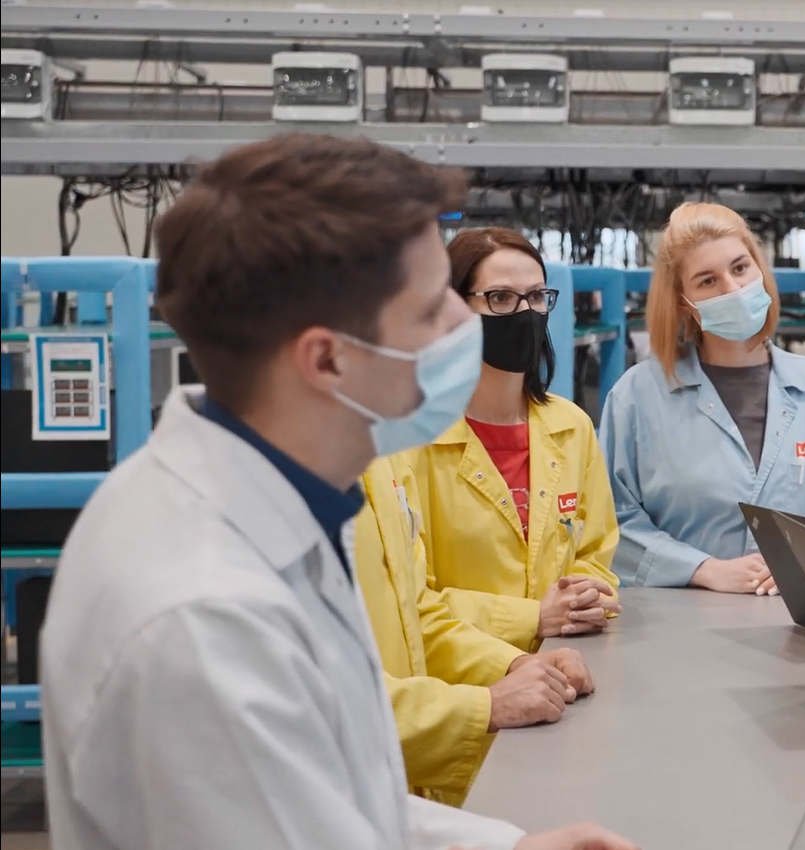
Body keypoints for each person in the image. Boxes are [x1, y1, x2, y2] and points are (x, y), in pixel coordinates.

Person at [38, 133, 633, 850]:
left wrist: (507, 846)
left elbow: (342, 788)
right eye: (428, 311)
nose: (463, 329)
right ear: (327, 360)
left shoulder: (301, 499)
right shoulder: (199, 618)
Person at [600, 202, 805, 593]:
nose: (733, 289)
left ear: (759, 269)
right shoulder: (637, 397)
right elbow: (612, 520)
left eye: (739, 268)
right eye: (707, 281)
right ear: (685, 303)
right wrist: (701, 569)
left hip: (799, 614)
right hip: (678, 620)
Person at [405, 228, 621, 653]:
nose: (526, 313)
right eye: (501, 298)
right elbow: (410, 598)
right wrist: (533, 618)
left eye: (537, 296)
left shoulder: (571, 426)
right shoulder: (413, 442)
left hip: (568, 668)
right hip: (464, 691)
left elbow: (596, 552)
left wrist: (586, 597)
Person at [356, 455, 594, 806]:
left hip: (399, 793)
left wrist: (515, 664)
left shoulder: (381, 463)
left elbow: (416, 615)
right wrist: (483, 706)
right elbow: (311, 706)